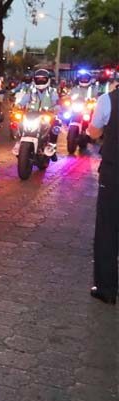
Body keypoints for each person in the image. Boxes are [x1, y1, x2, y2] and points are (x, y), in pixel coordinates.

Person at [87, 70, 119, 305]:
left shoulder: (108, 100)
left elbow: (94, 131)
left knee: (108, 228)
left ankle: (107, 289)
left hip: (114, 170)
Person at [17, 69, 60, 161]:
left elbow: (56, 102)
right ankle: (19, 142)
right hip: (31, 115)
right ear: (34, 80)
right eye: (38, 79)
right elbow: (24, 100)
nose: (40, 81)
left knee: (56, 125)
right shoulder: (31, 91)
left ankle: (52, 147)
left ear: (48, 80)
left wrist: (55, 109)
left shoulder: (52, 91)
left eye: (43, 79)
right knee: (19, 123)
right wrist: (18, 106)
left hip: (47, 115)